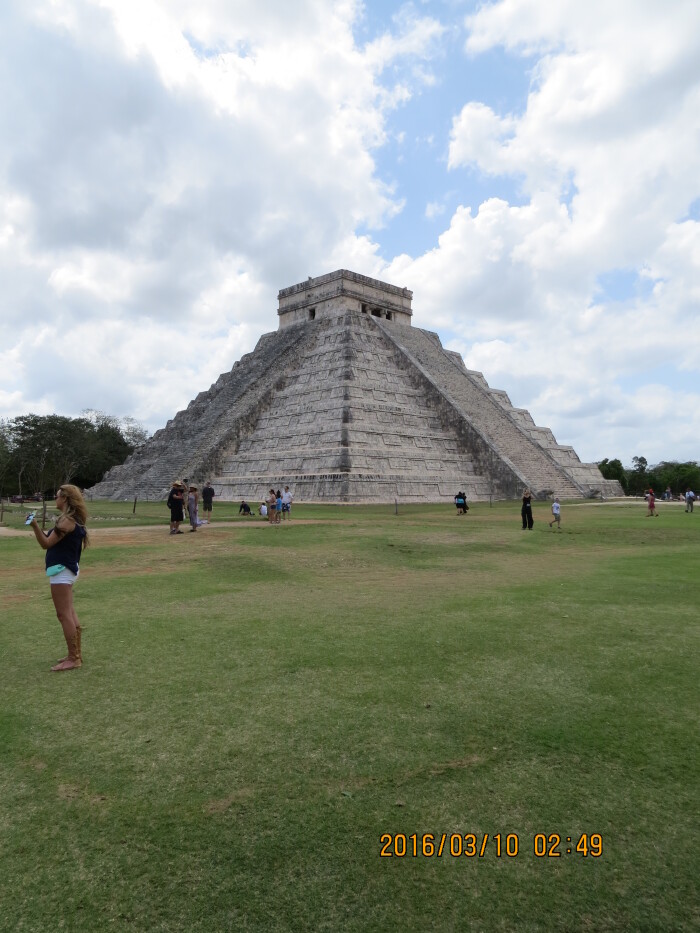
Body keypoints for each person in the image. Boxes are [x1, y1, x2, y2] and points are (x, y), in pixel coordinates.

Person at [28, 484, 89, 671]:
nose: (55, 499)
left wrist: (34, 525)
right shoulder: (72, 520)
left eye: (57, 496)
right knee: (69, 612)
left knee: (63, 614)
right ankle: (75, 653)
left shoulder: (67, 522)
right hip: (67, 570)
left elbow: (46, 543)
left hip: (62, 571)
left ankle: (74, 658)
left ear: (65, 499)